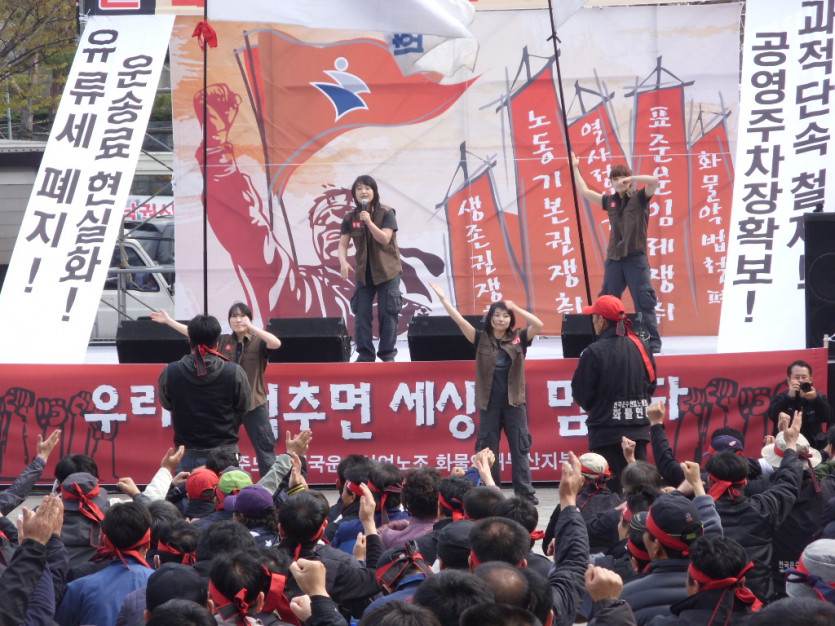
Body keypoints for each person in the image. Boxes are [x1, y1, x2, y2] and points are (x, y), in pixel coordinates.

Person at [429, 281, 543, 503]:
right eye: (497, 315)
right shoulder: (480, 338)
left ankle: (525, 493)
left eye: (505, 316)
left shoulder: (518, 338)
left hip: (515, 403)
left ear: (510, 320)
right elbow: (459, 320)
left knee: (520, 448)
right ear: (490, 318)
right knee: (488, 451)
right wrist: (443, 299)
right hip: (489, 404)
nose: (501, 319)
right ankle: (493, 491)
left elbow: (538, 324)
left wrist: (516, 308)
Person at [152, 302, 281, 477]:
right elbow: (197, 335)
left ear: (250, 318)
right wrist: (169, 321)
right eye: (234, 316)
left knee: (265, 448)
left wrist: (251, 327)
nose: (238, 320)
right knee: (223, 446)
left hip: (254, 403)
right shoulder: (223, 340)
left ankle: (272, 489)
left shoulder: (258, 341)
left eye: (242, 316)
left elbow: (276, 343)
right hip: (227, 405)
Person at [572, 152, 662, 353]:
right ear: (611, 182)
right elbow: (585, 191)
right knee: (607, 300)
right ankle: (606, 339)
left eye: (622, 178)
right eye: (615, 179)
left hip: (636, 258)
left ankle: (653, 342)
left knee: (643, 300)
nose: (619, 181)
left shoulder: (640, 198)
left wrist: (632, 178)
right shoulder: (610, 201)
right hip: (614, 259)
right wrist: (575, 167)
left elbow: (654, 181)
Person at [571, 295, 657, 494]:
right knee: (639, 490)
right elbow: (651, 384)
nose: (593, 322)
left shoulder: (594, 351)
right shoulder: (642, 347)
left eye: (594, 317)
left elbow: (582, 392)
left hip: (606, 432)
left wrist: (599, 406)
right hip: (638, 429)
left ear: (601, 320)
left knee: (609, 492)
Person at [157, 314, 252, 473]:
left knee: (187, 489)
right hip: (225, 454)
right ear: (217, 343)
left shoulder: (171, 371)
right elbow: (244, 407)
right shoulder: (234, 371)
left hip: (186, 453)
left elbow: (167, 403)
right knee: (228, 489)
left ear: (189, 340)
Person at [338, 175, 403, 362]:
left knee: (387, 313)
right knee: (362, 314)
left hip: (388, 271)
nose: (363, 192)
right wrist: (343, 261)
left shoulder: (387, 212)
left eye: (367, 188)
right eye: (359, 189)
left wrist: (369, 222)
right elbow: (343, 244)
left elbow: (385, 238)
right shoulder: (350, 217)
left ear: (374, 191)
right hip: (363, 273)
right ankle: (365, 355)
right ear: (354, 194)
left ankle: (387, 355)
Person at [767, 360, 834, 450]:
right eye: (796, 377)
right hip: (786, 447)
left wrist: (815, 400)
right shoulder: (782, 397)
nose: (800, 380)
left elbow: (829, 417)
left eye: (804, 377)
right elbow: (772, 415)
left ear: (811, 380)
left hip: (812, 448)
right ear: (789, 380)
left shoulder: (819, 397)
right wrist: (789, 397)